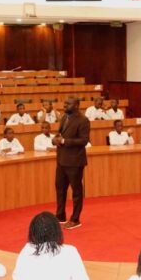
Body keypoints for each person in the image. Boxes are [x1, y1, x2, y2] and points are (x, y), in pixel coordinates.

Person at [53, 97, 90, 230]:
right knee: (60, 189)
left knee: (76, 191)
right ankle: (60, 215)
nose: (65, 105)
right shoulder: (64, 117)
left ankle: (75, 219)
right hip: (61, 160)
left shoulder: (83, 120)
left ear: (77, 105)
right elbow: (60, 134)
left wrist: (64, 141)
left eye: (68, 103)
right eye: (65, 103)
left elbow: (84, 140)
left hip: (75, 161)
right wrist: (55, 139)